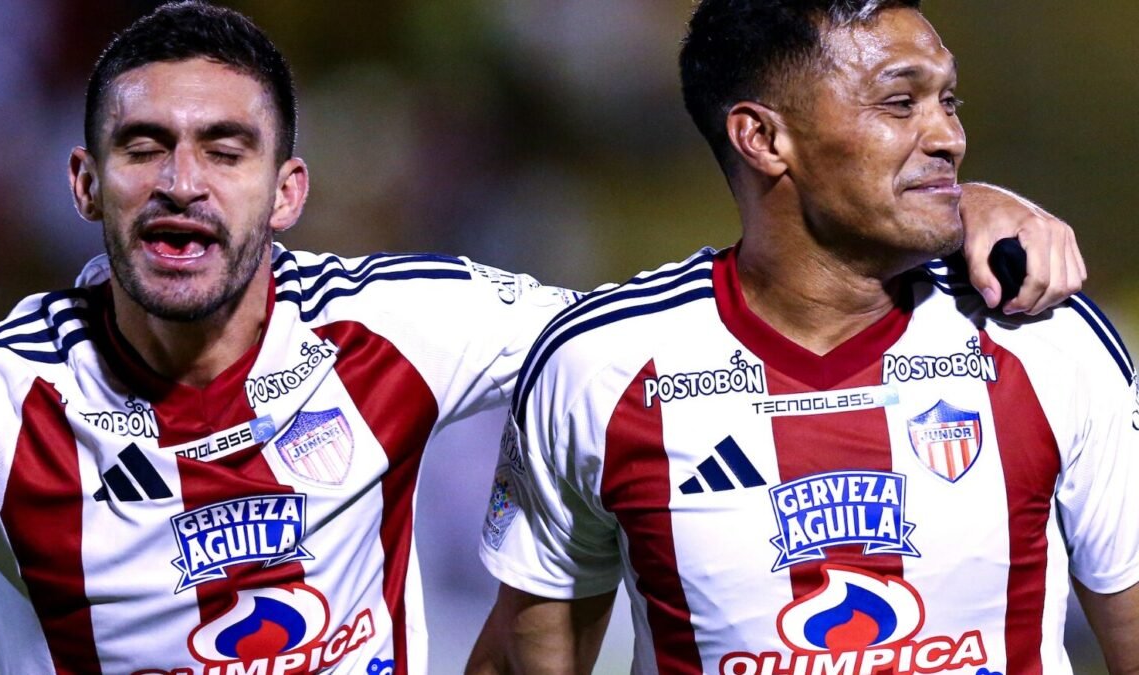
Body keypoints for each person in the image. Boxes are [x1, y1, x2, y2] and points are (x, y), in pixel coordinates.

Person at [0, 2, 1088, 674]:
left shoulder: (398, 325)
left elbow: (667, 335)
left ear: (287, 191)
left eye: (225, 150)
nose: (182, 183)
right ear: (83, 181)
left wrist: (948, 214)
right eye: (143, 147)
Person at [469, 1, 1138, 674]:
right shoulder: (599, 367)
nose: (949, 138)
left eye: (948, 101)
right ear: (763, 138)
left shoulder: (1046, 341)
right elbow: (525, 655)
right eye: (900, 103)